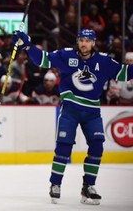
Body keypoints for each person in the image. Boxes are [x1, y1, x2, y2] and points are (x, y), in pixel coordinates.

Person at [12, 29, 133, 205]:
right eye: (81, 40)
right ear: (77, 41)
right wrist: (28, 45)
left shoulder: (104, 61)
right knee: (63, 146)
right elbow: (43, 59)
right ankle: (55, 183)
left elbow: (124, 73)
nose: (84, 44)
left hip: (92, 112)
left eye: (88, 40)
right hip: (70, 110)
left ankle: (88, 187)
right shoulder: (66, 56)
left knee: (97, 147)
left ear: (93, 43)